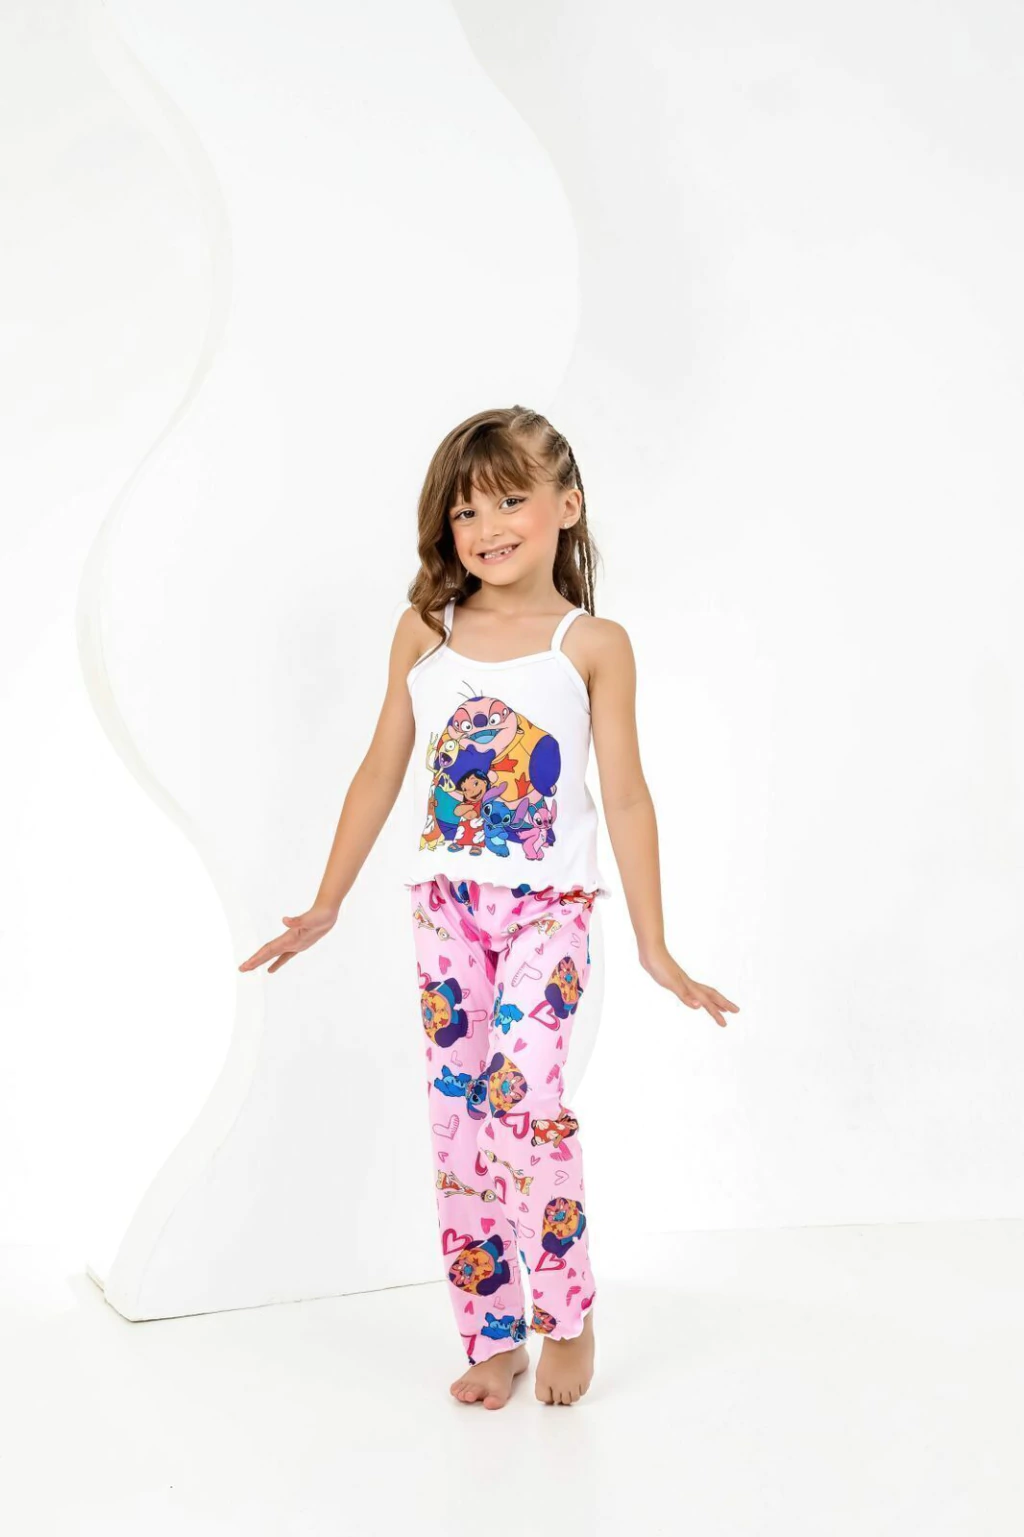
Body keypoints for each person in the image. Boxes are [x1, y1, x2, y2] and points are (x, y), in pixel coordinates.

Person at [239, 404, 740, 1410]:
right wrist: (327, 900)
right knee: (460, 1123)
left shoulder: (590, 643)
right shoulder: (425, 631)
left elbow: (625, 795)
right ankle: (493, 1331)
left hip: (548, 910)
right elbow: (382, 767)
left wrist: (655, 945)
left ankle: (567, 1313)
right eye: (465, 511)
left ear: (567, 505)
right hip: (445, 910)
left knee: (523, 1107)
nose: (486, 526)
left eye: (510, 500)